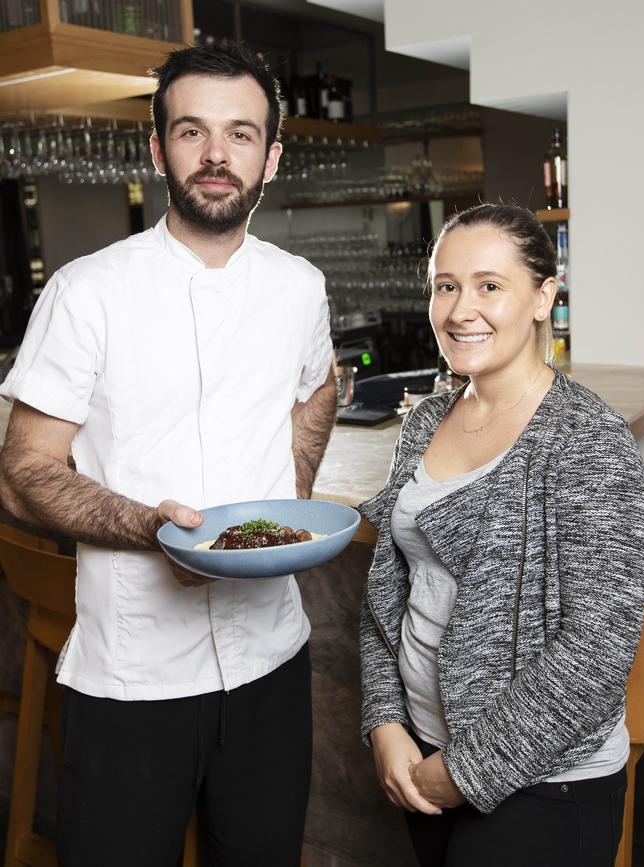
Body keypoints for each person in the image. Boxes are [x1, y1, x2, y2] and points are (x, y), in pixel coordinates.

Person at [0, 40, 337, 867]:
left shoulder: (300, 285)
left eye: (242, 134)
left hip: (271, 660)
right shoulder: (87, 291)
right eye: (192, 132)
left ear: (272, 155)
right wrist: (153, 527)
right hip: (134, 674)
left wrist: (283, 503)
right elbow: (22, 474)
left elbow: (319, 390)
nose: (217, 155)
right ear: (158, 149)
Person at [358, 203, 644, 867]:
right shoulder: (425, 420)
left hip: (547, 785)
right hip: (423, 758)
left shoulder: (588, 441)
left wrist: (461, 772)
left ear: (544, 295)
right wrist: (384, 720)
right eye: (446, 285)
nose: (462, 310)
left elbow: (598, 653)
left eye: (490, 285)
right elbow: (388, 591)